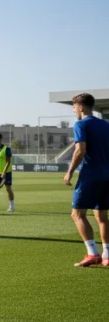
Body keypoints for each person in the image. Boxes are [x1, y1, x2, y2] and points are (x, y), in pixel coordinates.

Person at [64, 93, 109, 268]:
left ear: (81, 107)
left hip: (91, 174)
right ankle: (107, 255)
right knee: (102, 216)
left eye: (74, 107)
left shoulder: (80, 124)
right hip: (107, 174)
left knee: (77, 214)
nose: (74, 110)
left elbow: (80, 150)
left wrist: (70, 171)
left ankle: (92, 253)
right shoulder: (105, 125)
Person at [0, 132, 15, 212]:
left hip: (7, 172)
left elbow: (8, 162)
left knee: (8, 188)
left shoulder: (6, 149)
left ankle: (11, 206)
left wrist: (4, 172)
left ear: (0, 140)